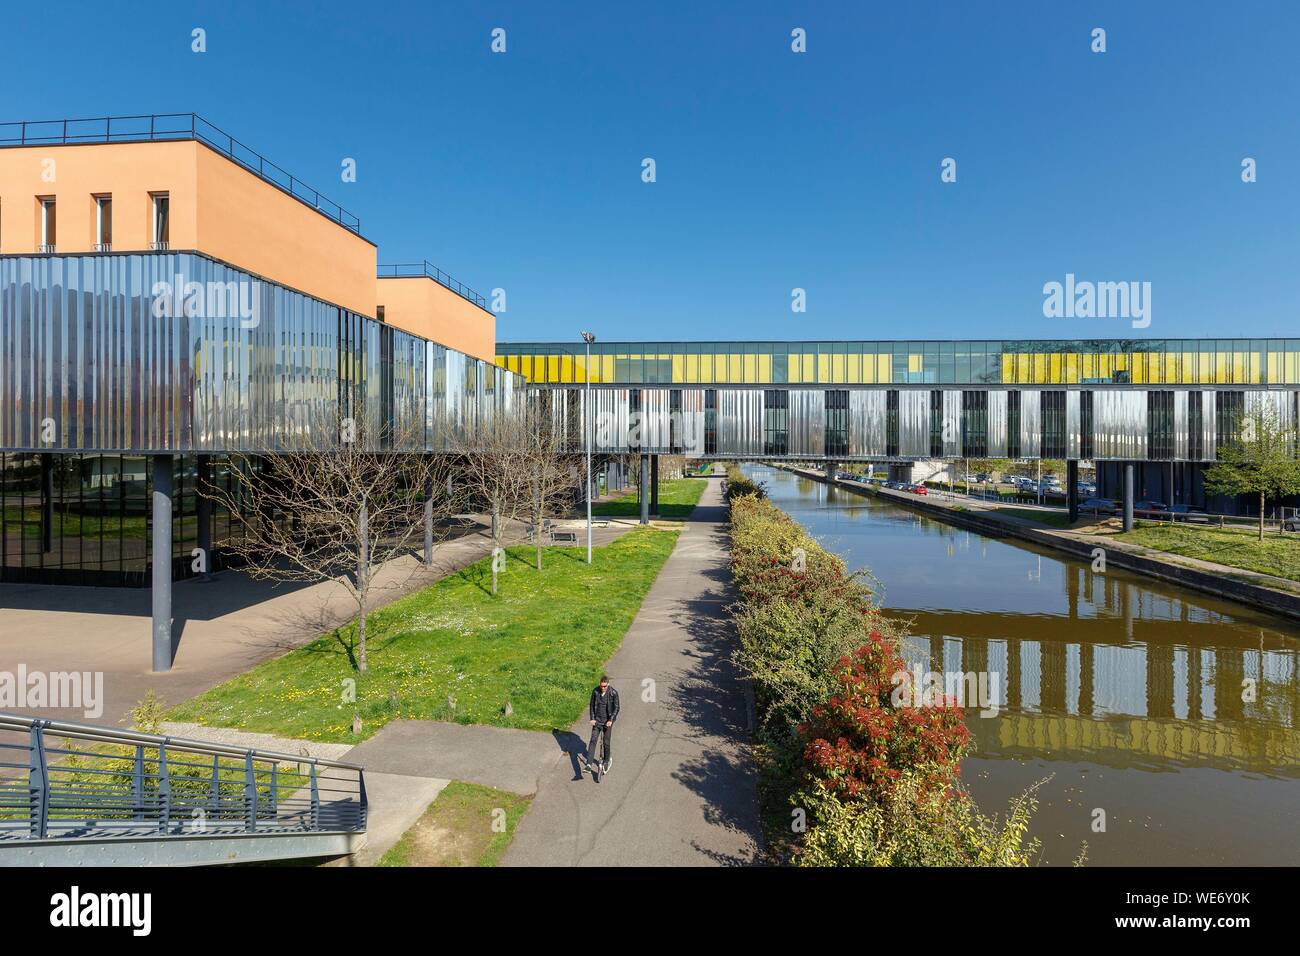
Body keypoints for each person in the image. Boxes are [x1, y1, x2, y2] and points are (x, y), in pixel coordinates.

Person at [585, 675, 620, 775]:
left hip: (607, 722)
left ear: (608, 684)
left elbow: (617, 708)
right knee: (593, 740)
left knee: (606, 742)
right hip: (597, 720)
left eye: (605, 686)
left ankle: (606, 760)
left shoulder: (613, 693)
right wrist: (592, 718)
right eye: (601, 686)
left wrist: (611, 720)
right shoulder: (595, 691)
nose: (603, 688)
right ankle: (588, 764)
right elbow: (592, 705)